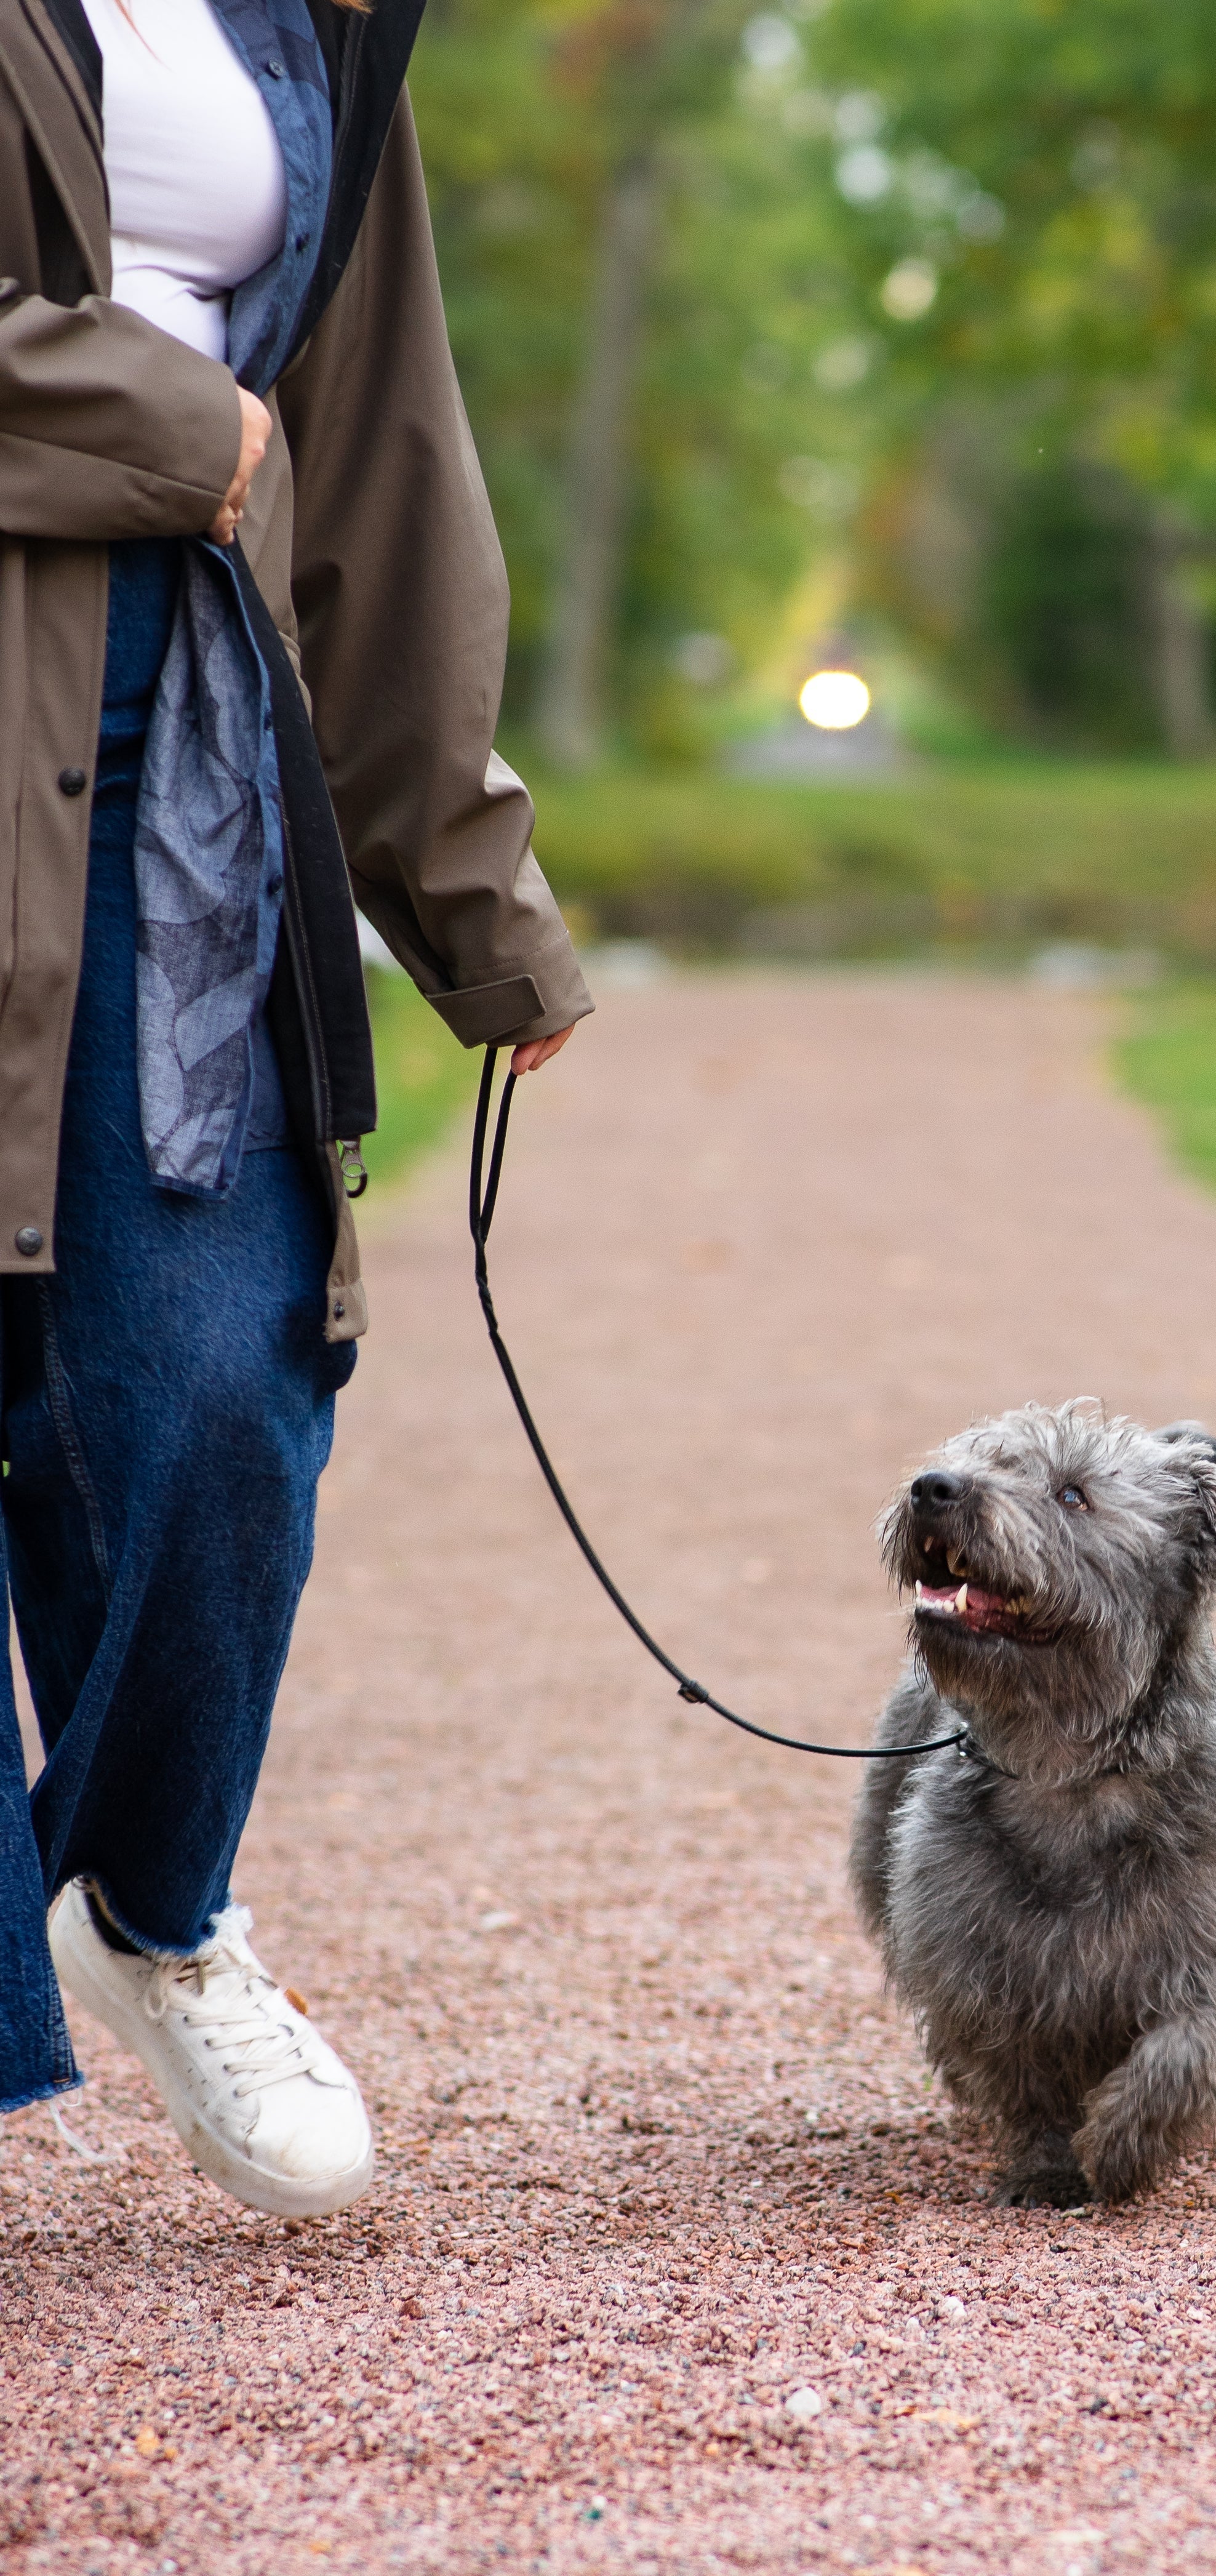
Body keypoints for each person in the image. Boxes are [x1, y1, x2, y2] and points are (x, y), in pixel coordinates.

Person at [0, 0, 591, 2217]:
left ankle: (153, 1909)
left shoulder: (317, 21)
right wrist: (159, 414)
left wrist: (468, 889)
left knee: (218, 1396)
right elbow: (235, 429)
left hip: (187, 773)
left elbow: (378, 457)